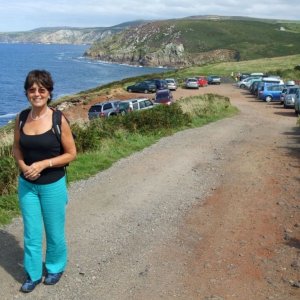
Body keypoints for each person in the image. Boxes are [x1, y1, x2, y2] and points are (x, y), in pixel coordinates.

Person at [13, 70, 77, 293]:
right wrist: (23, 167)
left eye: (42, 89)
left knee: (54, 230)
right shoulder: (21, 118)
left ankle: (55, 266)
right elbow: (17, 148)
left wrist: (43, 164)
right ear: (27, 93)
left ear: (49, 93)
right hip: (27, 185)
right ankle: (32, 273)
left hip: (53, 185)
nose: (37, 94)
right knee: (31, 232)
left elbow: (71, 154)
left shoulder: (59, 119)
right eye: (32, 90)